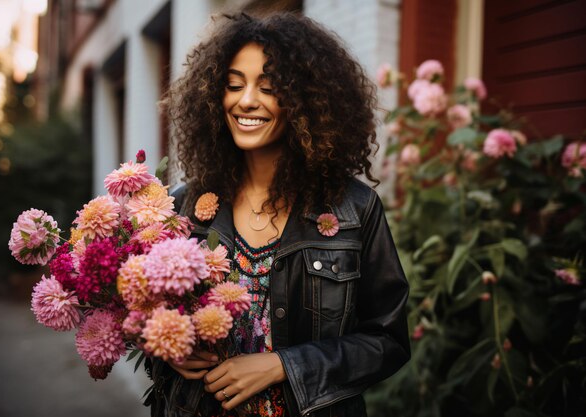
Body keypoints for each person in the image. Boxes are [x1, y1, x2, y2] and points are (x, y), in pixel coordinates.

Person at [144, 11, 410, 417]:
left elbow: (387, 340)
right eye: (233, 85)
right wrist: (170, 352)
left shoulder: (355, 210)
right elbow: (146, 316)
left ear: (305, 102)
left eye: (267, 87)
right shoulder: (183, 208)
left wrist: (284, 366)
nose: (245, 100)